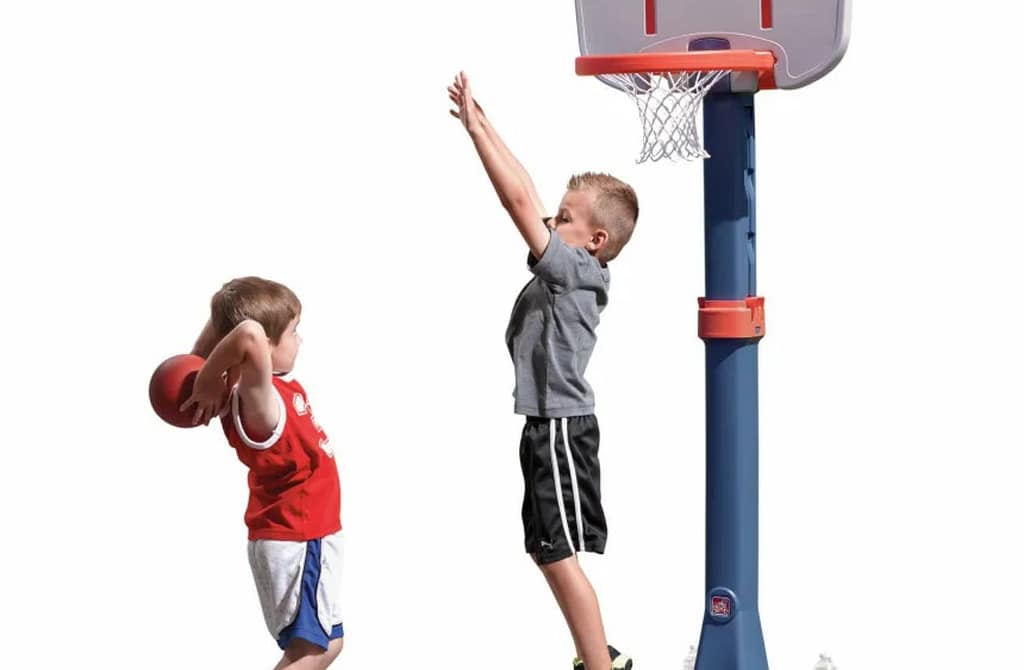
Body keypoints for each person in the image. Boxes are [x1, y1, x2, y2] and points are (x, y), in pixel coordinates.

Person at [449, 71, 639, 670]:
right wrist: (484, 123)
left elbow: (518, 202)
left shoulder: (576, 271)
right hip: (548, 425)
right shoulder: (568, 268)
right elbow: (530, 190)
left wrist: (477, 136)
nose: (553, 223)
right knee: (545, 548)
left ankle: (599, 665)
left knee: (556, 552)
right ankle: (594, 655)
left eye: (566, 218)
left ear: (595, 239)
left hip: (560, 425)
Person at [183, 276, 344, 670]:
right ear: (266, 349)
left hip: (299, 536)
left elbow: (244, 333)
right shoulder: (259, 401)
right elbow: (251, 333)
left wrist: (204, 351)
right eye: (293, 332)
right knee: (315, 650)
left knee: (327, 642)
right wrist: (204, 376)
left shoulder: (260, 386)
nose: (300, 339)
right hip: (299, 538)